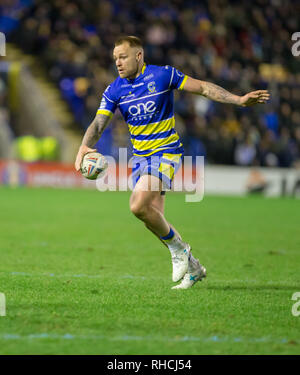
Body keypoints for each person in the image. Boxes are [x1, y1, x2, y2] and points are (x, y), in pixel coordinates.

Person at [75, 36, 270, 289]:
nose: (118, 63)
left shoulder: (163, 76)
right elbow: (99, 123)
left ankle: (179, 250)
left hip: (166, 151)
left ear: (139, 55)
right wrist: (83, 146)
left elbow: (202, 88)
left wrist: (238, 100)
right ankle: (194, 266)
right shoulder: (114, 89)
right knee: (151, 217)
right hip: (140, 158)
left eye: (123, 57)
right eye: (115, 59)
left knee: (137, 205)